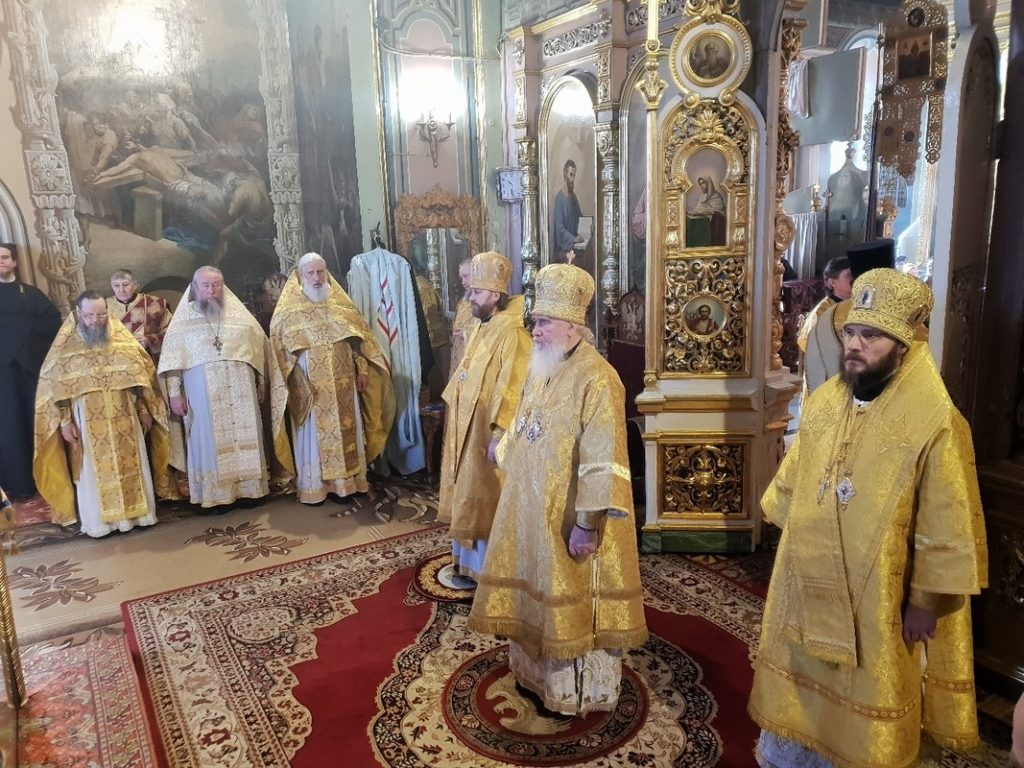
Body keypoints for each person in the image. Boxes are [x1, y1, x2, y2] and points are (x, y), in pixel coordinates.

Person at [749, 268, 988, 768]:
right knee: (799, 679)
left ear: (903, 345)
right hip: (806, 575)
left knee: (866, 694)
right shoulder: (827, 401)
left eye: (871, 337)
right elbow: (796, 480)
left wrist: (925, 602)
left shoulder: (936, 421)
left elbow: (946, 519)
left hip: (880, 594)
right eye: (852, 333)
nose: (855, 345)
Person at [467, 263, 648, 716]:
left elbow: (604, 458)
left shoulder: (599, 378)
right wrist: (502, 447)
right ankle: (534, 674)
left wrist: (587, 524)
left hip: (569, 518)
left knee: (568, 601)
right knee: (532, 589)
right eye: (535, 321)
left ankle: (574, 691)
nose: (535, 330)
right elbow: (525, 419)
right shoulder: (542, 365)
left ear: (571, 326)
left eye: (544, 322)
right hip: (531, 507)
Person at [34, 291, 172, 536]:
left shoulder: (121, 340)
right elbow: (57, 390)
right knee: (92, 471)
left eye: (101, 315)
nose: (96, 321)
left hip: (125, 415)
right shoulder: (65, 347)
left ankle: (138, 517)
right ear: (78, 313)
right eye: (89, 316)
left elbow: (140, 379)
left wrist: (144, 410)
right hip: (86, 420)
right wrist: (65, 422)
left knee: (132, 465)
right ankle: (100, 524)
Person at [269, 253, 395, 505]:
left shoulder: (342, 307)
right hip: (310, 388)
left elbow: (358, 343)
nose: (316, 278)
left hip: (345, 385)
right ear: (301, 277)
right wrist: (295, 383)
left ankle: (349, 484)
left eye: (320, 272)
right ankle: (316, 487)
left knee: (348, 430)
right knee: (314, 438)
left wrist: (362, 369)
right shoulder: (287, 314)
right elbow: (279, 357)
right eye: (311, 273)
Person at [437, 251, 530, 582]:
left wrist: (500, 433)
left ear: (494, 293)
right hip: (467, 425)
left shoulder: (512, 332)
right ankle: (466, 562)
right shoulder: (481, 324)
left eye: (476, 292)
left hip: (486, 432)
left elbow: (514, 386)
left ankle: (490, 571)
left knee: (488, 494)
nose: (470, 298)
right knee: (469, 491)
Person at [158, 266, 270, 508]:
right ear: (195, 288)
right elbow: (173, 361)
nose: (212, 290)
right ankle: (215, 496)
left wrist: (261, 381)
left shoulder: (240, 317)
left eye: (217, 285)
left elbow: (258, 349)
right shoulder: (182, 323)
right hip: (203, 395)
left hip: (242, 391)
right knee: (207, 440)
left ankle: (250, 492)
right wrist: (174, 394)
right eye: (206, 285)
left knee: (246, 436)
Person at [0, 243, 62, 498]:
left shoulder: (31, 294)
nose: (1, 261)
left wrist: (21, 343)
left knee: (35, 422)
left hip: (30, 370)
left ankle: (44, 480)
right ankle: (17, 484)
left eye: (5, 257)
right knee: (8, 427)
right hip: (3, 375)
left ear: (14, 262)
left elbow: (53, 323)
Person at [803, 240, 901, 396]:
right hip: (840, 389)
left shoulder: (898, 312)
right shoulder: (826, 313)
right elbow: (811, 350)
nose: (854, 345)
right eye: (848, 333)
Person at [797, 256, 852, 394]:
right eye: (849, 275)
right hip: (825, 375)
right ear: (832, 282)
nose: (854, 280)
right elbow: (806, 342)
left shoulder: (857, 305)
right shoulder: (822, 311)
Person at [106, 269, 172, 362]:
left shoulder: (155, 304)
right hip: (115, 360)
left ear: (135, 285)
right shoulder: (104, 306)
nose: (121, 290)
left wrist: (151, 340)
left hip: (147, 360)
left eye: (125, 285)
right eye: (116, 285)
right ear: (112, 286)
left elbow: (173, 332)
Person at [448, 258, 477, 379]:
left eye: (466, 276)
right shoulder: (463, 302)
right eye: (461, 278)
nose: (463, 282)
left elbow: (489, 331)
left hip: (473, 359)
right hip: (458, 353)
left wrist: (465, 334)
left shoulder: (484, 304)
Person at [552, 159, 584, 262]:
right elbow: (559, 228)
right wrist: (573, 239)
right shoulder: (560, 199)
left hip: (575, 246)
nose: (572, 179)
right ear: (565, 175)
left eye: (574, 175)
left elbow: (580, 218)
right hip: (564, 250)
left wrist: (587, 227)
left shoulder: (573, 197)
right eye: (571, 175)